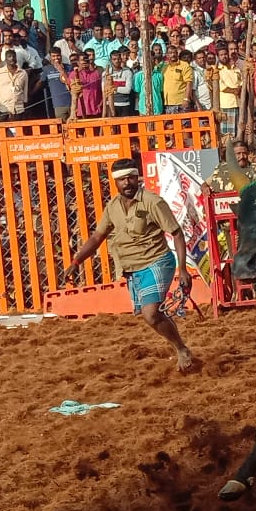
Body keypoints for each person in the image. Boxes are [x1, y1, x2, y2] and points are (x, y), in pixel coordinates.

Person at [68, 158, 195, 372]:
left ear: (137, 178)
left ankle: (181, 349)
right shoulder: (112, 207)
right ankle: (180, 345)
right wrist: (76, 260)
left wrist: (183, 269)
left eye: (130, 178)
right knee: (151, 316)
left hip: (157, 260)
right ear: (116, 182)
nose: (127, 183)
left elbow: (176, 233)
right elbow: (97, 237)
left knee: (150, 313)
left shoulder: (153, 202)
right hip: (132, 268)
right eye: (122, 179)